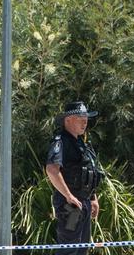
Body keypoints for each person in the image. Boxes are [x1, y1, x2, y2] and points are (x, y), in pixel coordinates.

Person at [45, 101, 105, 255]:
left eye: (86, 118)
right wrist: (69, 196)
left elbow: (88, 172)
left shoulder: (81, 143)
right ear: (68, 120)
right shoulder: (61, 141)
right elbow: (52, 169)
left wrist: (93, 198)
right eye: (80, 117)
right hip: (70, 206)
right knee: (69, 249)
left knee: (82, 249)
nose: (85, 121)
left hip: (83, 202)